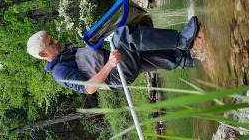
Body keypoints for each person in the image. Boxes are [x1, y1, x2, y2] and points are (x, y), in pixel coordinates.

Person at [27, 16, 201, 94]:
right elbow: (89, 88)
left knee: (140, 52)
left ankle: (188, 59)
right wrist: (110, 64)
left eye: (52, 38)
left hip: (114, 64)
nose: (56, 40)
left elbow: (91, 59)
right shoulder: (60, 72)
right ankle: (181, 40)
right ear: (43, 54)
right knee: (122, 36)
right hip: (114, 77)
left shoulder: (65, 54)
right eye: (51, 43)